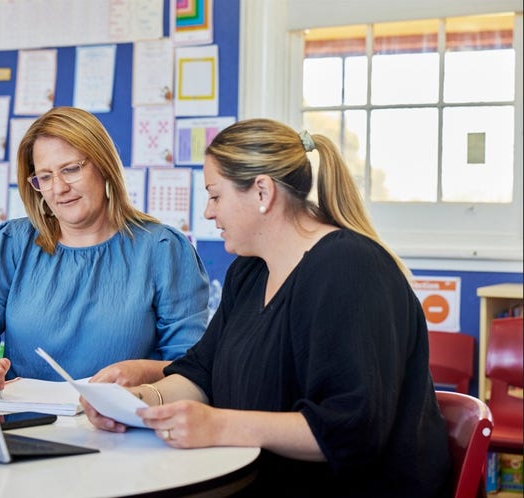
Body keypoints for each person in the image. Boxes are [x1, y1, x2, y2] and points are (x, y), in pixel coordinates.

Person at [83, 118, 452, 497]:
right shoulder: (250, 270)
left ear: (262, 192)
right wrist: (139, 404)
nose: (209, 213)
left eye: (215, 195)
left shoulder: (350, 268)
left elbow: (351, 429)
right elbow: (201, 373)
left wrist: (221, 425)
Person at [0, 107, 209, 393]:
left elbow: (194, 371)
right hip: (25, 430)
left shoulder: (163, 250)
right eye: (45, 177)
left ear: (104, 166)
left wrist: (145, 372)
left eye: (70, 169)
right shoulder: (11, 244)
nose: (59, 188)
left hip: (121, 430)